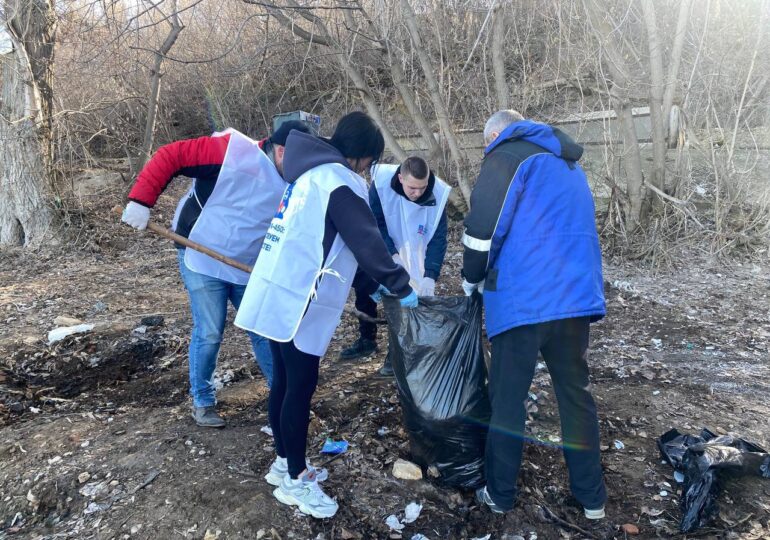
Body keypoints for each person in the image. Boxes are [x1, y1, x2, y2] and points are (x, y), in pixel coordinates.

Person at [235, 112, 418, 519]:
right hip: (300, 297)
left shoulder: (307, 177)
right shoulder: (339, 181)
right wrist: (400, 285)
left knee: (284, 380)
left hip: (278, 290)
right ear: (362, 156)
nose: (368, 170)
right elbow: (365, 241)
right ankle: (297, 481)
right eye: (369, 162)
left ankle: (284, 463)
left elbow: (336, 245)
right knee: (299, 385)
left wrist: (373, 287)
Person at [462, 110, 608, 520]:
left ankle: (500, 494)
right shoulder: (569, 164)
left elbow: (484, 228)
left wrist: (470, 279)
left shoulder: (507, 157)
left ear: (494, 134)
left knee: (507, 402)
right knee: (575, 397)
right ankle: (592, 498)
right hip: (574, 299)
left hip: (524, 301)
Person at [121, 121, 313, 428]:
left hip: (244, 262)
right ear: (281, 151)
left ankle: (285, 398)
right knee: (210, 330)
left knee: (262, 328)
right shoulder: (229, 154)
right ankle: (203, 400)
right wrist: (141, 200)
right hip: (200, 252)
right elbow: (171, 155)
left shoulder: (295, 178)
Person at [339, 157, 449, 376]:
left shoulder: (438, 194)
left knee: (411, 295)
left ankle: (401, 350)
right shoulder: (380, 186)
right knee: (369, 286)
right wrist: (391, 254)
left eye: (422, 188)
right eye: (412, 188)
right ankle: (367, 338)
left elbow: (438, 237)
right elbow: (374, 223)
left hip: (417, 245)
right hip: (385, 243)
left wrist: (431, 274)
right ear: (400, 178)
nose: (417, 193)